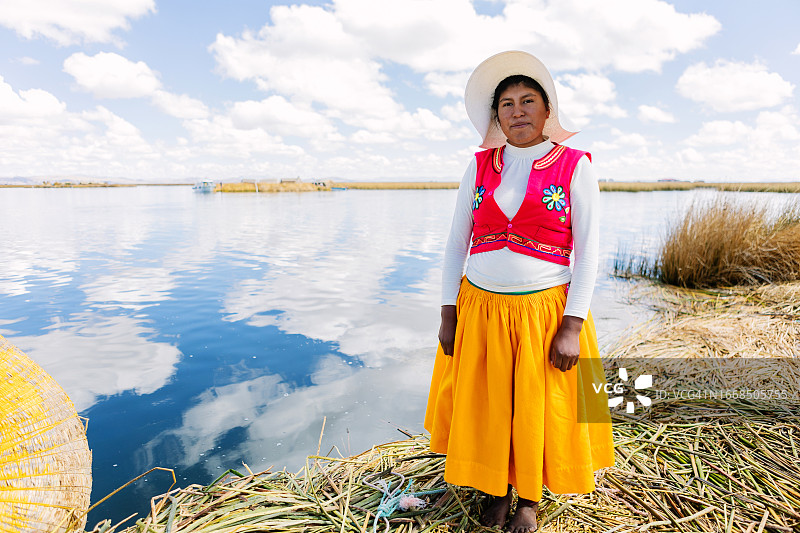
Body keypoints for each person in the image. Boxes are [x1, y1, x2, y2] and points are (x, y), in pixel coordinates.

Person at [424, 51, 614, 533]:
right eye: (506, 104)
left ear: (548, 111)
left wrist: (571, 326)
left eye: (528, 100)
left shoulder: (575, 166)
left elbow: (589, 252)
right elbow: (455, 242)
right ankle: (492, 488)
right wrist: (449, 314)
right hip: (481, 309)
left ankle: (528, 497)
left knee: (535, 406)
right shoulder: (480, 166)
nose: (517, 111)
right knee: (489, 403)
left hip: (545, 313)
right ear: (496, 117)